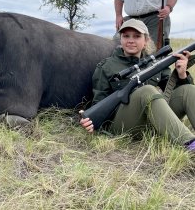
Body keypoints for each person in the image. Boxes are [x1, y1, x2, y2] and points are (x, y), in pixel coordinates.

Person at [80, 19, 195, 152]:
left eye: (137, 36)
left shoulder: (156, 63)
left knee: (188, 90)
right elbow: (99, 101)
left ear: (146, 40)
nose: (130, 40)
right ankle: (190, 145)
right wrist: (90, 121)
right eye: (126, 36)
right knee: (147, 91)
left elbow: (175, 92)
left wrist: (182, 75)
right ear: (120, 39)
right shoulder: (106, 66)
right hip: (124, 125)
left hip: (156, 122)